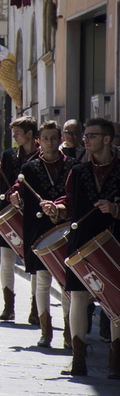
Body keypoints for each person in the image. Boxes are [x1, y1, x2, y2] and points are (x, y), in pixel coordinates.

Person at [50, 117, 120, 379]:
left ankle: (117, 361)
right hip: (81, 242)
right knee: (77, 297)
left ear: (106, 139)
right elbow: (68, 201)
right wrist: (56, 209)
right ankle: (78, 359)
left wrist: (115, 209)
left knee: (116, 301)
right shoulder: (78, 171)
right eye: (85, 135)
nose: (85, 139)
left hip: (114, 241)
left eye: (91, 135)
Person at [7, 121, 77, 348]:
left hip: (65, 230)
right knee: (42, 282)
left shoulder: (72, 167)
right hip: (38, 230)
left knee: (67, 284)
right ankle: (46, 332)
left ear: (60, 140)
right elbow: (20, 191)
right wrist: (15, 196)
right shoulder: (29, 168)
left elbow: (74, 196)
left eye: (53, 138)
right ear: (39, 140)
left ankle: (69, 332)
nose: (49, 142)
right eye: (45, 139)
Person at [0, 116, 39, 323]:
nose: (14, 138)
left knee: (33, 263)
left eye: (17, 134)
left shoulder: (43, 156)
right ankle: (9, 307)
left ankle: (36, 309)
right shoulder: (9, 155)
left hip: (33, 214)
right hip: (8, 213)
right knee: (7, 260)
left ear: (30, 134)